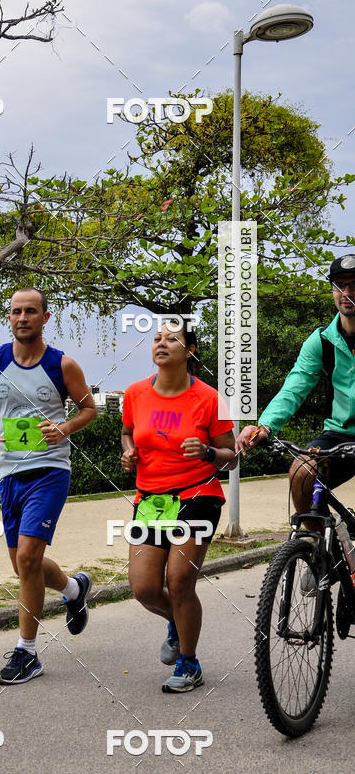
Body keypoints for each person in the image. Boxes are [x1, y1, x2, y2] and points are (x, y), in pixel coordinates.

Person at [0, 287, 97, 685]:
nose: (22, 318)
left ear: (45, 317)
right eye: (15, 312)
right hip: (9, 474)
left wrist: (65, 427)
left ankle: (27, 652)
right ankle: (74, 590)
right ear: (10, 318)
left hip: (50, 471)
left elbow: (89, 408)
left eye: (30, 311)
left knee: (26, 559)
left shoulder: (63, 365)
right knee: (26, 565)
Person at [121, 319, 237, 693]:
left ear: (189, 351)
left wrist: (207, 451)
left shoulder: (208, 398)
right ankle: (178, 621)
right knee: (143, 588)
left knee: (180, 580)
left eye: (172, 338)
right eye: (156, 338)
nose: (161, 343)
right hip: (151, 500)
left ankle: (189, 663)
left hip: (198, 494)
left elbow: (231, 457)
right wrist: (128, 453)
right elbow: (127, 431)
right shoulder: (135, 393)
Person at [237, 254, 355, 532]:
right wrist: (264, 426)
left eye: (354, 286)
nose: (347, 293)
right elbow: (294, 387)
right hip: (339, 433)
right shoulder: (322, 341)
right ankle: (319, 554)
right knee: (300, 473)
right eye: (340, 285)